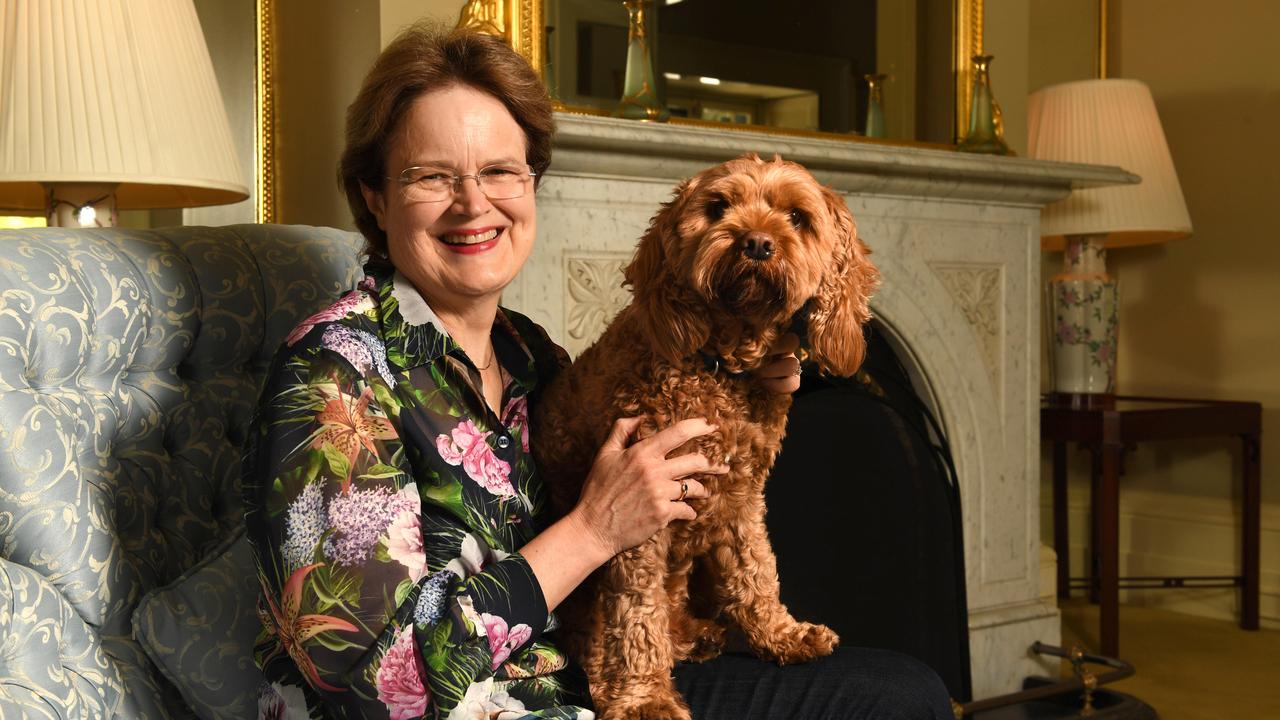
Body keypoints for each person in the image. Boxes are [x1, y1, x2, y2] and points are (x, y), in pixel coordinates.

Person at [243, 22, 954, 720]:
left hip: (578, 677)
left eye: (500, 171)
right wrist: (591, 531)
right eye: (432, 176)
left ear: (531, 184)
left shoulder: (527, 354)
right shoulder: (332, 377)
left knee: (900, 691)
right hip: (485, 705)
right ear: (374, 196)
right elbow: (374, 686)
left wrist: (766, 374)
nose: (474, 204)